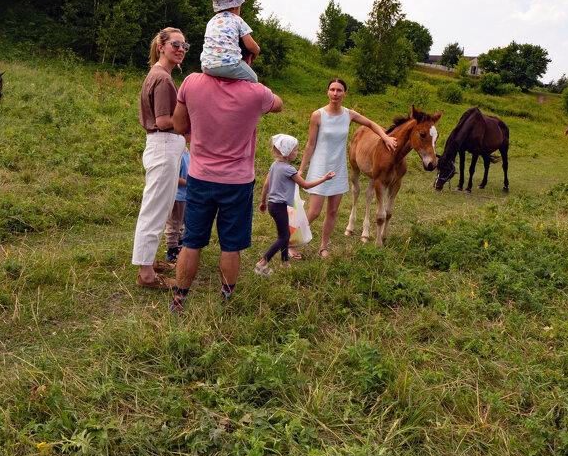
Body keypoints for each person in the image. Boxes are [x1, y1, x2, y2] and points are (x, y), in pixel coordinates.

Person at [169, 72, 283, 312]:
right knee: (230, 245)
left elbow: (178, 125)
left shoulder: (191, 82)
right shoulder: (256, 91)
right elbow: (279, 104)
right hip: (237, 181)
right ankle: (226, 300)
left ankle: (179, 302)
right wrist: (252, 78)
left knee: (191, 242)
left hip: (200, 177)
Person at [298, 77, 398, 258]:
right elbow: (310, 144)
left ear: (345, 94)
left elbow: (371, 124)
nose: (335, 93)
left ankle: (323, 246)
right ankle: (291, 242)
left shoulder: (349, 115)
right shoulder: (317, 115)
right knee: (314, 212)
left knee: (333, 211)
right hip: (320, 167)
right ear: (327, 92)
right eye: (332, 89)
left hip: (338, 168)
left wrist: (385, 137)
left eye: (339, 90)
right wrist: (301, 169)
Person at [131, 28, 188, 289]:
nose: (181, 48)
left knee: (160, 207)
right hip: (163, 145)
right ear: (161, 46)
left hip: (163, 146)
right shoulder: (163, 79)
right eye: (175, 44)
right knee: (155, 210)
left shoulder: (160, 74)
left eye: (184, 45)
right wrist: (190, 127)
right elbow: (165, 121)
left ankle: (150, 261)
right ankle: (146, 275)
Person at [254, 134, 335, 275]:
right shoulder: (289, 169)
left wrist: (262, 202)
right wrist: (324, 179)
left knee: (284, 233)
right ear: (287, 152)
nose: (297, 152)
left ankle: (285, 263)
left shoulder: (274, 165)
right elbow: (306, 185)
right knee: (283, 237)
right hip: (279, 207)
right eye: (296, 150)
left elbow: (266, 185)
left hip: (273, 205)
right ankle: (262, 264)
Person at [200, 0, 261, 83]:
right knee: (253, 79)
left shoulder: (211, 22)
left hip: (207, 66)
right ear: (234, 6)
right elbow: (250, 45)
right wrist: (257, 51)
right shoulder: (237, 20)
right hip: (230, 64)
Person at [163, 132, 191, 263]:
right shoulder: (177, 154)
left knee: (180, 223)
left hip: (185, 195)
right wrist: (190, 183)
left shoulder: (186, 150)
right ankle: (172, 252)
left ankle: (180, 245)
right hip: (177, 195)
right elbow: (173, 177)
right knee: (174, 223)